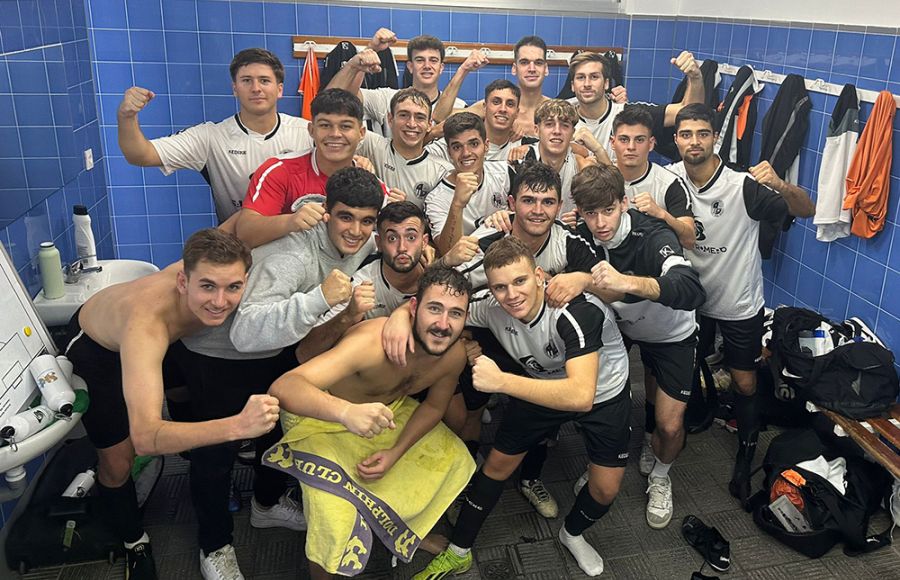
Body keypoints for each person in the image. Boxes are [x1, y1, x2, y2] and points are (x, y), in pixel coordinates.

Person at [63, 229, 279, 580]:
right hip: (99, 350)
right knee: (120, 460)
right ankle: (134, 541)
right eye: (207, 286)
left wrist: (295, 220)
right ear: (183, 281)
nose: (220, 301)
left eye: (233, 288)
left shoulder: (208, 263)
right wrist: (238, 426)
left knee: (182, 394)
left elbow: (240, 223)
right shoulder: (146, 327)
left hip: (172, 338)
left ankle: (190, 460)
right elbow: (147, 436)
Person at [410, 237, 630, 579]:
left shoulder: (575, 312)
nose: (511, 295)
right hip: (543, 388)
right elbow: (443, 312)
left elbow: (580, 395)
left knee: (605, 488)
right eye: (500, 287)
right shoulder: (492, 307)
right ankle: (459, 551)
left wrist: (501, 383)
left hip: (601, 394)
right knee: (496, 465)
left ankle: (571, 534)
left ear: (539, 275)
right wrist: (403, 318)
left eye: (520, 281)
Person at [267, 267, 475, 579]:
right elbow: (284, 387)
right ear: (414, 307)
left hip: (384, 412)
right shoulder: (370, 343)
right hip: (321, 416)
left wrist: (396, 453)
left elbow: (434, 406)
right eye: (434, 308)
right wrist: (346, 413)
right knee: (334, 521)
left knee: (453, 459)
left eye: (455, 314)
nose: (443, 325)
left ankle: (404, 532)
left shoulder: (454, 354)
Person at [667, 104, 815, 507]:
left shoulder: (742, 185)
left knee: (744, 380)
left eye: (702, 133)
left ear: (715, 137)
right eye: (685, 134)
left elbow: (807, 209)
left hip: (736, 300)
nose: (693, 141)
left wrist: (781, 184)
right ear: (676, 139)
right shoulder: (670, 180)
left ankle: (746, 449)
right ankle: (697, 415)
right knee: (686, 364)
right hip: (692, 298)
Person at [440, 162, 598, 519]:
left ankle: (531, 477)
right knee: (474, 408)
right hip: (490, 334)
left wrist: (582, 280)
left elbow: (602, 281)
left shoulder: (569, 242)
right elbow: (447, 290)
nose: (538, 210)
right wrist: (463, 337)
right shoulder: (487, 238)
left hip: (540, 344)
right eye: (529, 200)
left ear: (560, 206)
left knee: (543, 410)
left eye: (547, 202)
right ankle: (462, 480)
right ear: (512, 202)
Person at [571, 164, 706, 529]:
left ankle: (661, 476)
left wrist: (626, 283)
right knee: (595, 403)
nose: (600, 222)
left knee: (670, 424)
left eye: (609, 210)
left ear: (624, 203)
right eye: (590, 213)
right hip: (620, 330)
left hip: (669, 333)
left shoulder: (653, 235)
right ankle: (602, 464)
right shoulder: (579, 233)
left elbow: (691, 289)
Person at [117, 48, 313, 224]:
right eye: (246, 81)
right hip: (237, 249)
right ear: (234, 89)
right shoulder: (211, 137)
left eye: (264, 80)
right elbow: (140, 155)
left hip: (299, 244)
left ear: (279, 89)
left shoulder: (306, 132)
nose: (256, 88)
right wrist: (127, 117)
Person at [230, 167, 383, 355]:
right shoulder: (294, 255)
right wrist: (320, 298)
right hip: (229, 356)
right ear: (326, 209)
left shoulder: (364, 241)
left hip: (283, 346)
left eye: (366, 221)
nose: (355, 231)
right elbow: (244, 334)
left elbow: (376, 242)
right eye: (346, 217)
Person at [234, 88, 386, 248]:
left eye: (345, 126)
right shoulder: (279, 170)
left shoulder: (370, 184)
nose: (335, 134)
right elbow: (244, 233)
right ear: (311, 130)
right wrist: (290, 221)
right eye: (325, 125)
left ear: (361, 133)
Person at [296, 201, 432, 363]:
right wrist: (349, 315)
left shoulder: (436, 278)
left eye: (411, 237)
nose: (402, 247)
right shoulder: (360, 284)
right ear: (379, 243)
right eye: (392, 238)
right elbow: (304, 354)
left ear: (424, 242)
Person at [569, 50, 702, 165]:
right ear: (572, 85)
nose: (587, 84)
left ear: (606, 83)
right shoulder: (562, 120)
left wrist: (695, 77)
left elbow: (689, 113)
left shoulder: (630, 115)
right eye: (580, 77)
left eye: (594, 77)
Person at [326, 31, 466, 137]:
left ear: (441, 68)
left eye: (433, 60)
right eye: (420, 60)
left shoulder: (457, 106)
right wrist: (367, 53)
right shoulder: (387, 99)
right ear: (410, 67)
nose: (427, 66)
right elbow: (333, 100)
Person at [423, 113, 511, 255]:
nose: (466, 153)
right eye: (457, 147)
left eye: (474, 144)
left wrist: (509, 213)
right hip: (466, 271)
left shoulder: (505, 173)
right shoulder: (436, 199)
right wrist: (457, 204)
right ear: (449, 152)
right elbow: (448, 253)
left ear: (486, 145)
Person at [433, 36, 553, 138]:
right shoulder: (494, 108)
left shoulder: (555, 111)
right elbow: (440, 117)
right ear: (514, 69)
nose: (531, 69)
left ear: (546, 69)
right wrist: (463, 69)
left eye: (538, 63)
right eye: (524, 62)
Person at [354, 88, 448, 208]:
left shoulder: (441, 171)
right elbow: (335, 126)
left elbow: (439, 221)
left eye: (420, 117)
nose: (411, 124)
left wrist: (405, 211)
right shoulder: (372, 146)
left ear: (429, 124)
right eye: (404, 115)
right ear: (390, 119)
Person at [507, 99, 595, 222]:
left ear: (572, 133)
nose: (557, 131)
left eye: (565, 126)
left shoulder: (582, 168)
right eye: (549, 124)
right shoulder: (518, 164)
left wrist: (579, 221)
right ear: (537, 130)